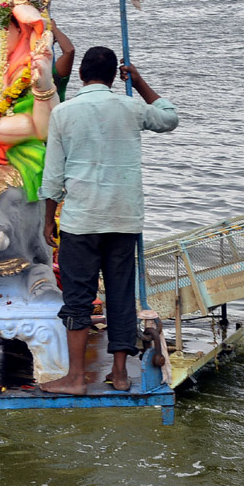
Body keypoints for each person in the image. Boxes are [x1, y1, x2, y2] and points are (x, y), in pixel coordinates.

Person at [38, 46, 178, 394]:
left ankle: (74, 378)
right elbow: (169, 117)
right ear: (114, 78)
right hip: (123, 217)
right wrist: (141, 81)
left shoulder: (64, 112)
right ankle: (119, 373)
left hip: (81, 219)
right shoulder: (131, 107)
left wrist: (46, 220)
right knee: (119, 294)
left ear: (82, 75)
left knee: (78, 296)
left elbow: (53, 176)